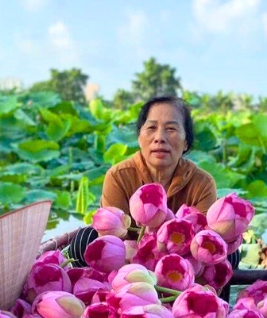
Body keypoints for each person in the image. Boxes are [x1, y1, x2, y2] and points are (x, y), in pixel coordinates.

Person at [70, 96, 242, 269]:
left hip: (183, 266)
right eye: (151, 128)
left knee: (229, 253)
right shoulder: (118, 176)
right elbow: (113, 239)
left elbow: (203, 243)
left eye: (171, 129)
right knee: (84, 240)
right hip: (129, 263)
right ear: (139, 138)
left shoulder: (203, 183)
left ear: (186, 143)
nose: (159, 138)